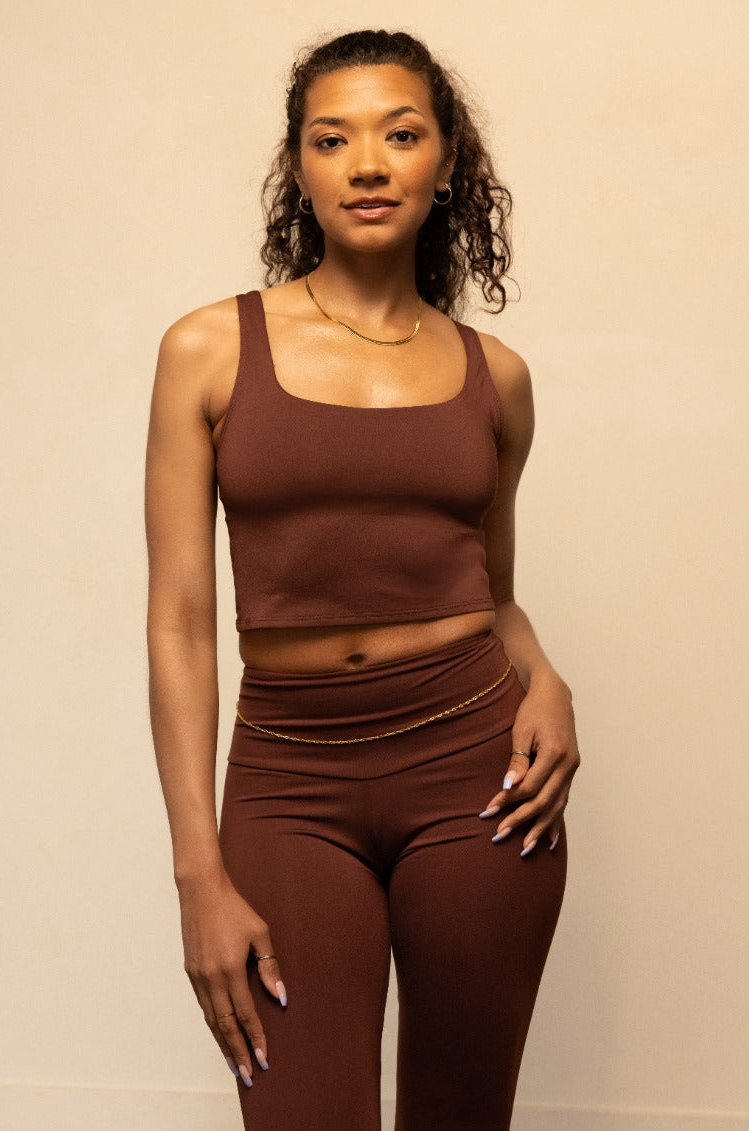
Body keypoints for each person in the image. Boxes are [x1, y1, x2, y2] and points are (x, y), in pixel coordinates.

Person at [144, 27, 581, 1131]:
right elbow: (183, 622)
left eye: (400, 133)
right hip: (291, 781)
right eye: (332, 138)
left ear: (446, 165)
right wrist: (197, 868)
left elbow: (489, 591)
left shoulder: (497, 379)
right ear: (299, 169)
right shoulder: (209, 348)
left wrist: (547, 681)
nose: (368, 162)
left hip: (476, 778)